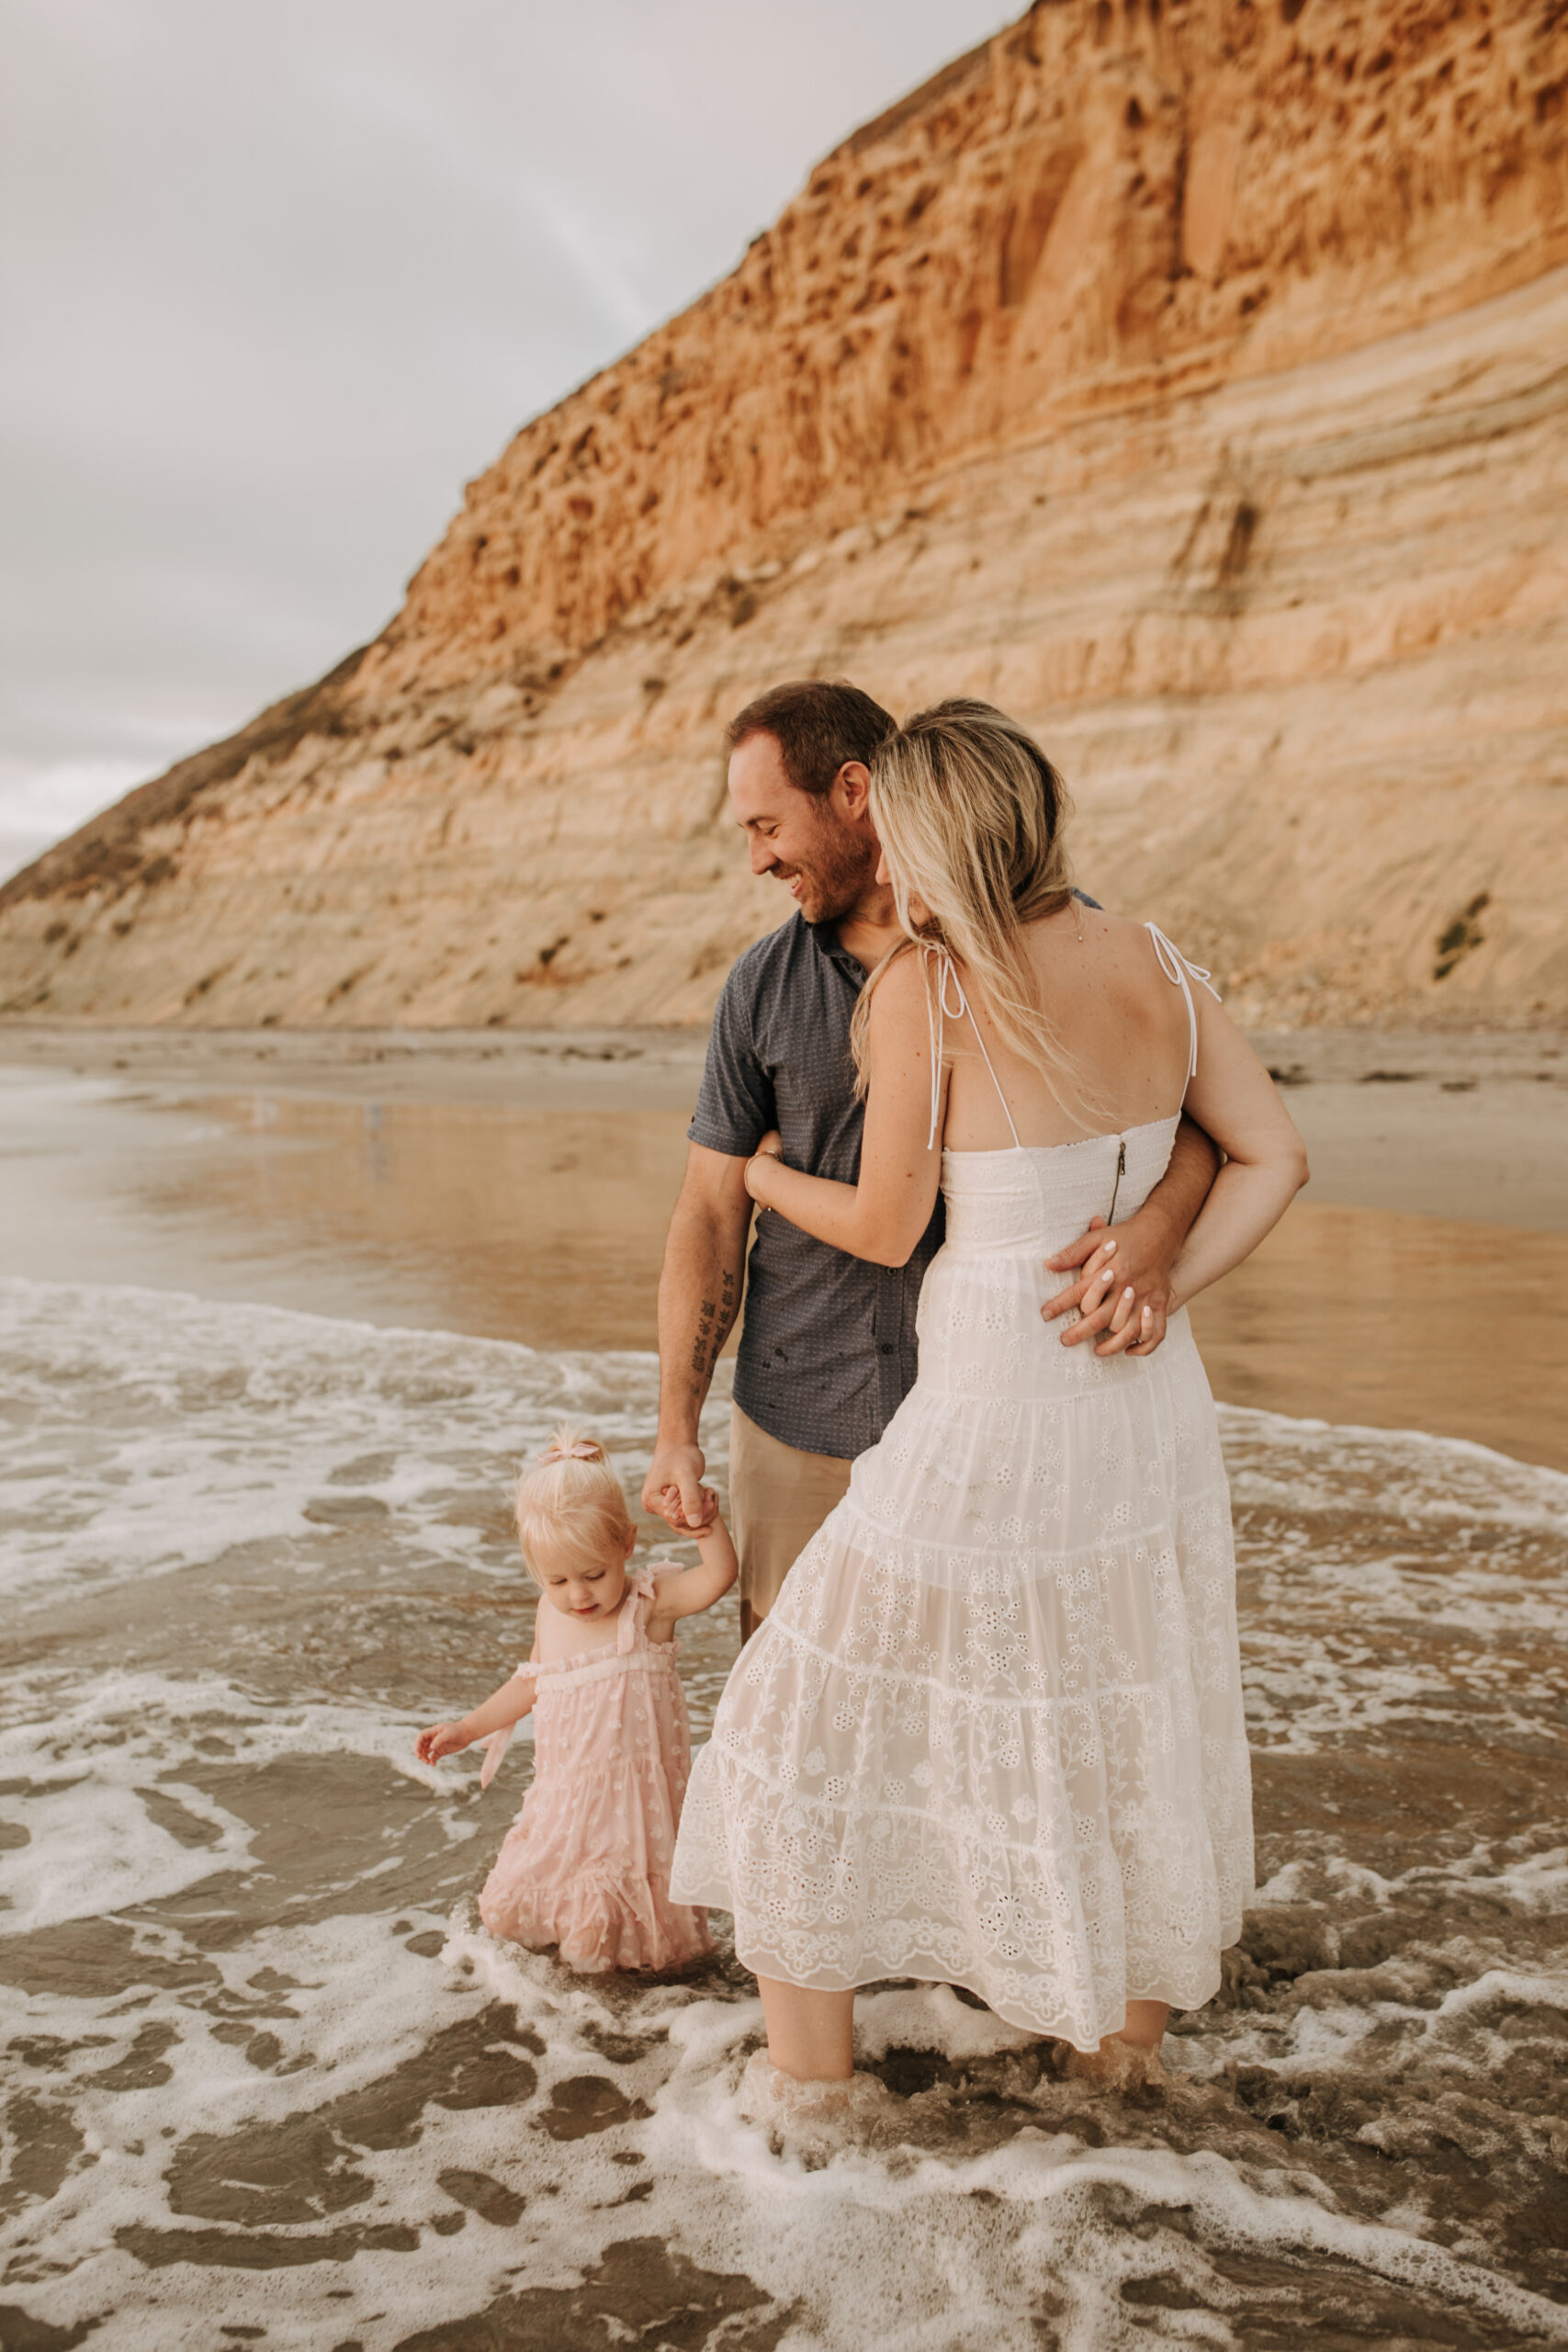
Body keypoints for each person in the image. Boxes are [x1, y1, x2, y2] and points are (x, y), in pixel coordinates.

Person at [669, 699, 1309, 2090]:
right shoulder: (1152, 958)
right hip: (1140, 1399)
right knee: (1115, 1696)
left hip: (991, 1403)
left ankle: (809, 2103)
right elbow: (1267, 1156)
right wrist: (1158, 1282)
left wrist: (766, 1173)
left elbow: (892, 1224)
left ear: (930, 826)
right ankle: (1111, 2075)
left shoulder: (927, 983)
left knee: (784, 1724)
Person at [640, 678, 1220, 1642]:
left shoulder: (1054, 936)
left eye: (767, 825)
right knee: (791, 1737)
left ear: (854, 791)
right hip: (800, 1423)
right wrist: (675, 1431)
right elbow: (707, 1211)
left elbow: (1190, 1124)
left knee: (980, 1731)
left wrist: (1156, 1233)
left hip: (1002, 1427)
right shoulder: (761, 988)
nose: (756, 859)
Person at [417, 1427, 737, 1974]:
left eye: (593, 1575)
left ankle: (621, 2028)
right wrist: (467, 1729)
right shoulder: (551, 1613)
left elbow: (719, 1576)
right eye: (557, 1580)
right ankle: (539, 2014)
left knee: (598, 1951)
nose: (578, 1595)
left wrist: (704, 1524)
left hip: (628, 1816)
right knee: (501, 1912)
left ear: (626, 1545)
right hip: (562, 1807)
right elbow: (530, 1682)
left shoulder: (647, 1607)